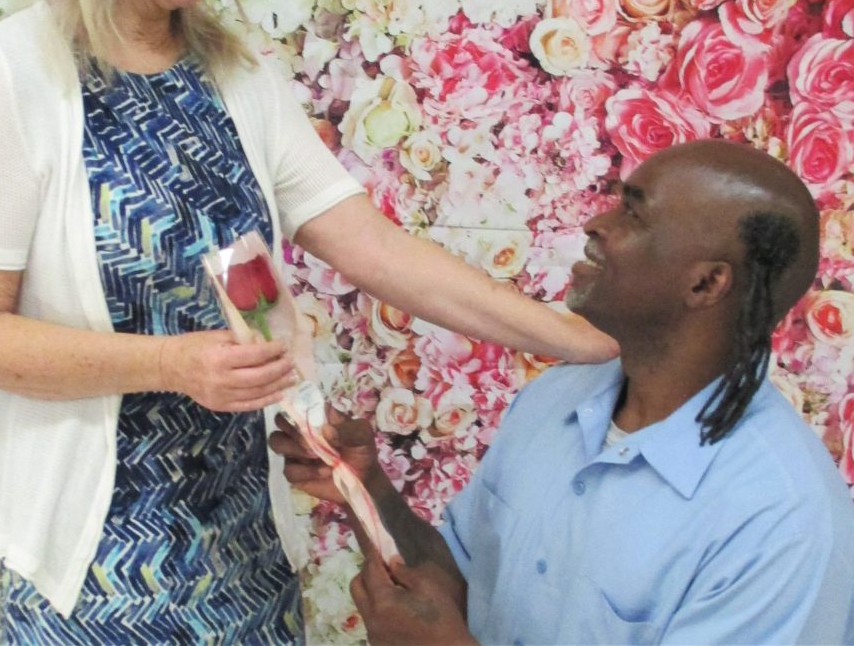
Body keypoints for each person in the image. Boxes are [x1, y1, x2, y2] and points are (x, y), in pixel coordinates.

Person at [0, 0, 615, 644]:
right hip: (90, 583)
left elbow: (373, 246)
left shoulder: (237, 76)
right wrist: (172, 365)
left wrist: (581, 342)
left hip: (245, 564)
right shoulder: (15, 72)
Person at [273, 139, 854, 645]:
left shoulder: (782, 523)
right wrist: (365, 488)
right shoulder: (555, 399)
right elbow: (464, 582)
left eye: (633, 214)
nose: (595, 224)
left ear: (705, 283)